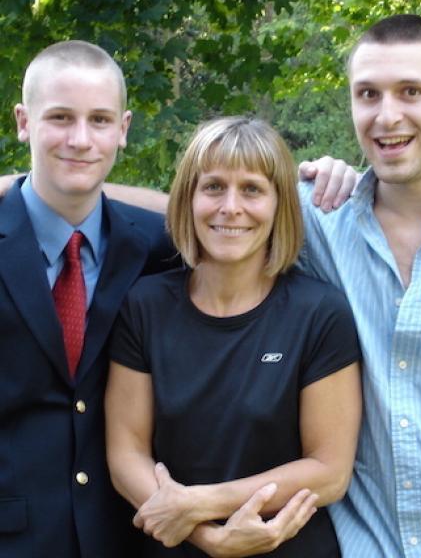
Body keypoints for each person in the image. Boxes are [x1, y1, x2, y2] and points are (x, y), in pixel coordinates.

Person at [105, 116, 362, 557]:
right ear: (188, 197)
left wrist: (201, 502)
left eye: (252, 189)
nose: (230, 207)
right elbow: (126, 453)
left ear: (280, 204)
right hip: (172, 544)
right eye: (213, 187)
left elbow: (328, 472)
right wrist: (209, 538)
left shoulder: (319, 313)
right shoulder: (145, 305)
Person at [298, 14, 421, 557]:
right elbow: (198, 212)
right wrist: (36, 190)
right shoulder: (319, 222)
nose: (386, 115)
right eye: (368, 94)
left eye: (411, 91)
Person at [0, 40, 179, 558]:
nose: (81, 139)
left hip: (128, 537)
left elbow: (241, 220)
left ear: (123, 130)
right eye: (60, 117)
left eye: (100, 120)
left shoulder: (159, 247)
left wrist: (329, 180)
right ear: (23, 121)